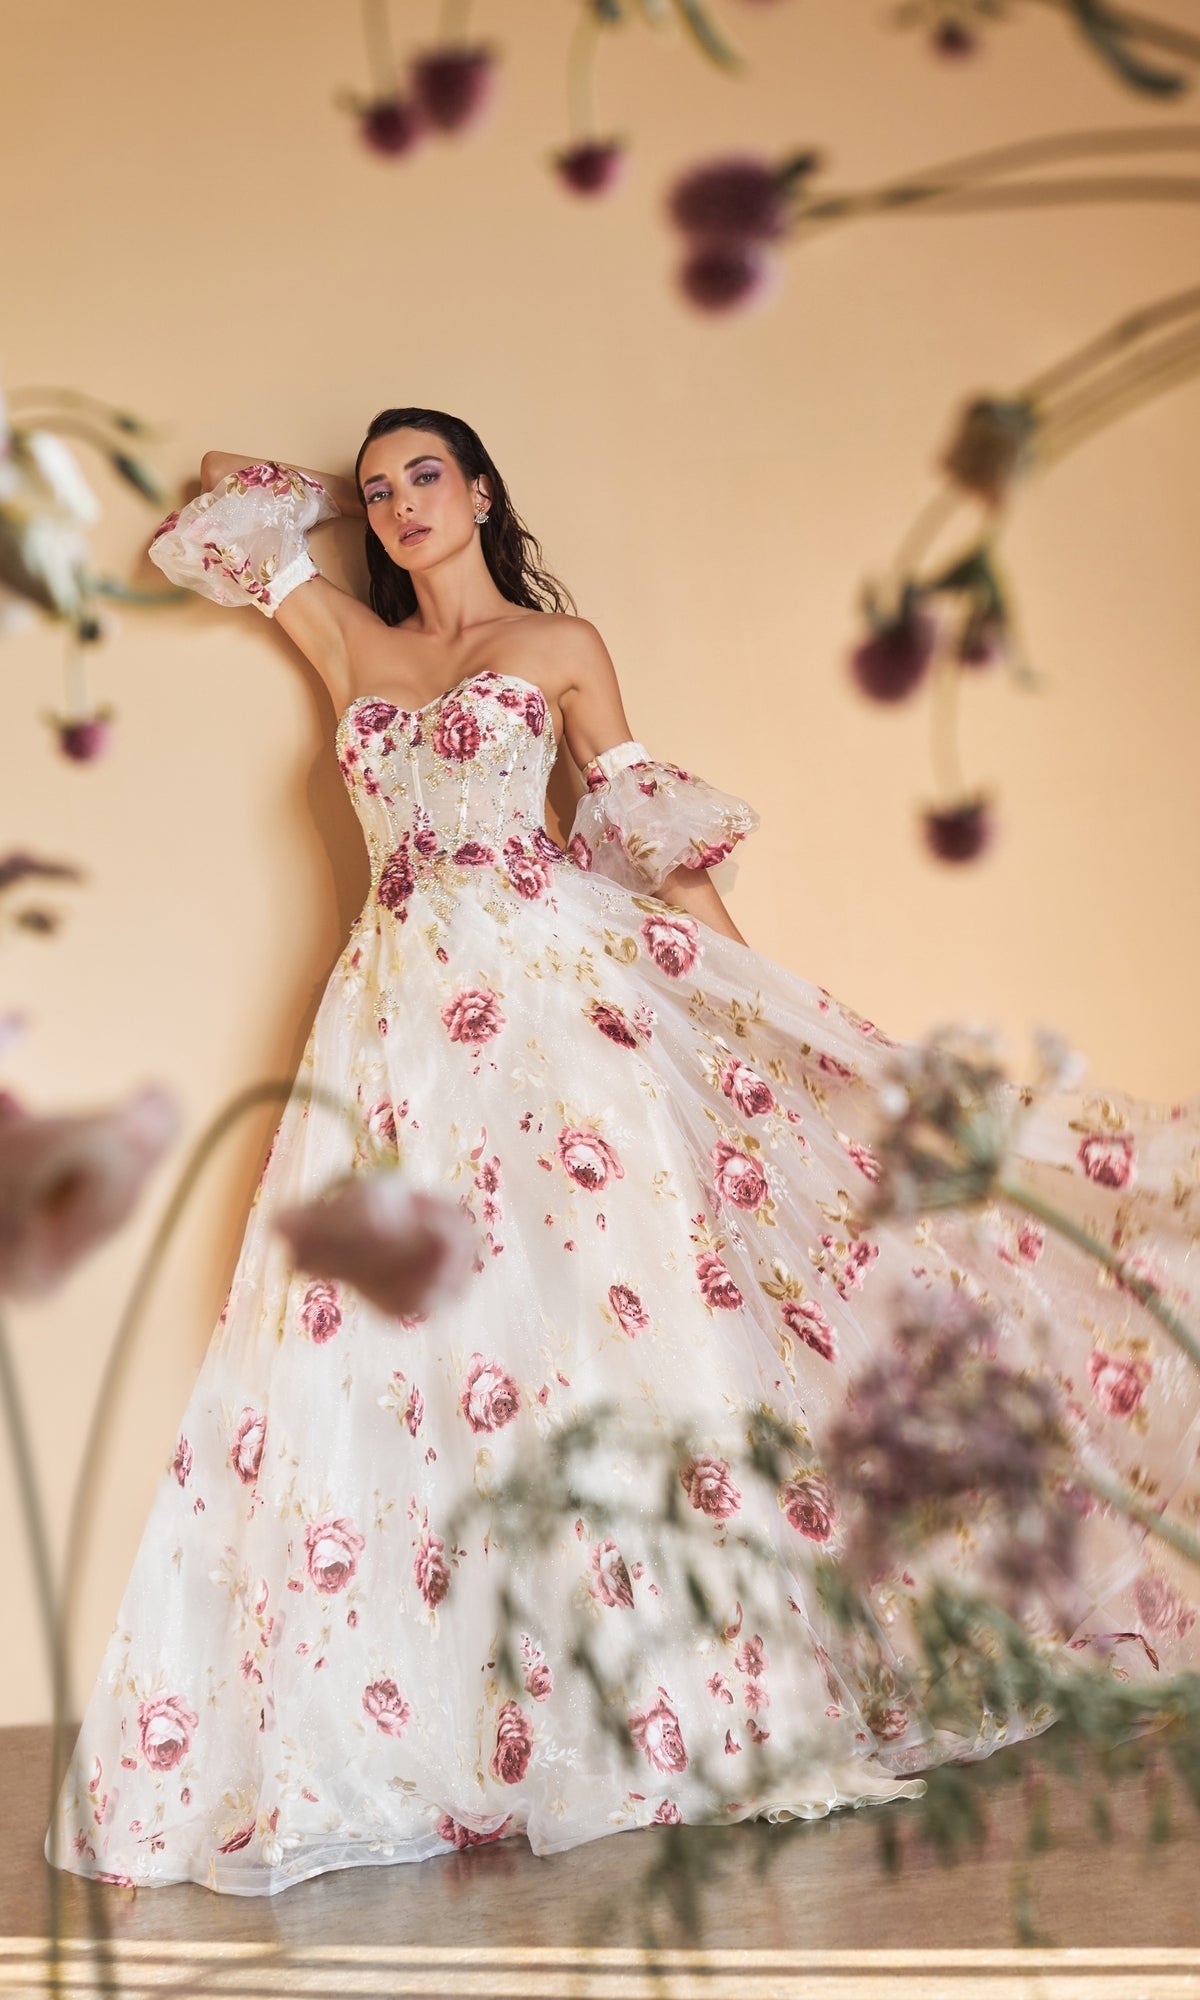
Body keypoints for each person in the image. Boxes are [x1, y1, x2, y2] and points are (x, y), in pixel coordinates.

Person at [48, 407, 1199, 1895]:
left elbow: (644, 835)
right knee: (402, 1360)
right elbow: (209, 500)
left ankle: (681, 1701)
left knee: (604, 1328)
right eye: (383, 485)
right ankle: (468, 1716)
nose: (402, 504)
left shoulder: (563, 646)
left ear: (481, 491)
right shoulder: (343, 638)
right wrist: (328, 499)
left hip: (550, 1015)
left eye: (427, 476)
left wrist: (763, 1015)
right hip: (393, 1027)